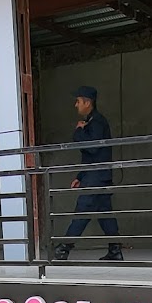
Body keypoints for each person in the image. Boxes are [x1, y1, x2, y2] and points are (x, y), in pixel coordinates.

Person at [54, 85, 123, 262]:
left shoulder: (97, 122)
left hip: (96, 177)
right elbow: (92, 156)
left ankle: (64, 248)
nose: (76, 105)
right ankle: (115, 250)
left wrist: (79, 131)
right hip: (98, 176)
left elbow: (92, 148)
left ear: (87, 102)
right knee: (105, 214)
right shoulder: (93, 122)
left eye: (78, 101)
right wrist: (80, 176)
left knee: (82, 210)